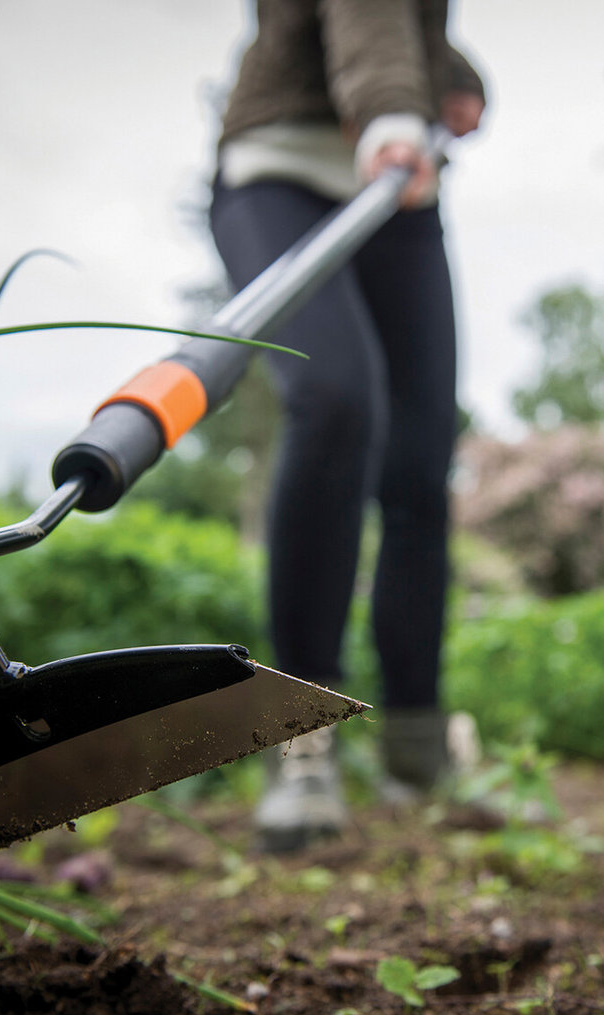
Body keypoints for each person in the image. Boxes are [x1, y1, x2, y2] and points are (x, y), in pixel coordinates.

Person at [208, 0, 486, 852]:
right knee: (333, 400)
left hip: (397, 186)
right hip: (280, 170)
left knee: (418, 457)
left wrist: (457, 80)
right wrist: (393, 108)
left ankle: (417, 747)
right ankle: (302, 741)